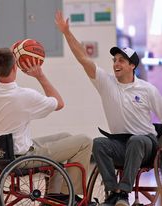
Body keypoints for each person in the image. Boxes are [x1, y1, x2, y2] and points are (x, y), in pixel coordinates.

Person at [55, 10, 162, 206]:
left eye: (121, 60)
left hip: (146, 145)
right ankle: (112, 192)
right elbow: (83, 59)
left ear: (132, 66)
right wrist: (67, 33)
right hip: (121, 144)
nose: (115, 64)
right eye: (114, 60)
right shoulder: (106, 83)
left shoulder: (147, 90)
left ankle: (124, 192)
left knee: (137, 140)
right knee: (98, 143)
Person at [0, 47, 92, 198]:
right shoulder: (25, 96)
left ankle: (54, 195)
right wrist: (40, 75)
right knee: (85, 141)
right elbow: (59, 103)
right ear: (15, 66)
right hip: (23, 157)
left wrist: (1, 62)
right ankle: (70, 195)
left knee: (66, 136)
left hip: (4, 155)